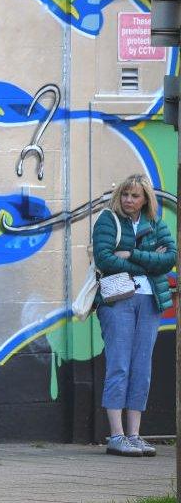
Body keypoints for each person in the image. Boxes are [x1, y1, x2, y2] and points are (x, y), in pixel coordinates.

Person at [92, 173, 177, 457]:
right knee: (119, 365)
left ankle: (134, 435)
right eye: (125, 194)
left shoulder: (156, 224)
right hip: (118, 301)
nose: (129, 200)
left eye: (135, 195)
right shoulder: (108, 220)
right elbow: (105, 258)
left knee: (142, 368)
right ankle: (116, 435)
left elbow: (169, 258)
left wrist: (132, 256)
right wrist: (147, 263)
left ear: (145, 199)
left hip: (150, 301)